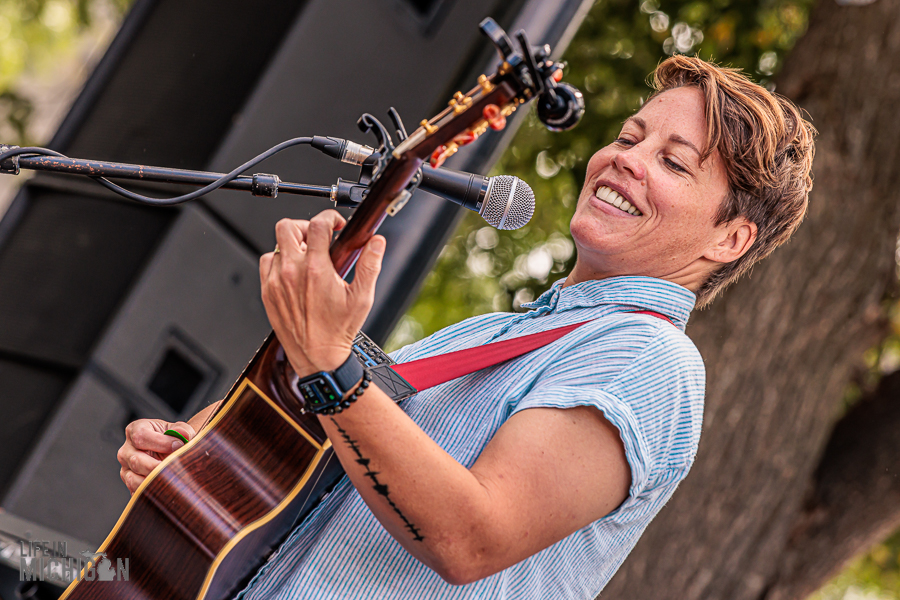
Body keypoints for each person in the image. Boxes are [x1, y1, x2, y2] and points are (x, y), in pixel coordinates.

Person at [116, 55, 815, 599]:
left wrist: (328, 365)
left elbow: (471, 536)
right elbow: (345, 457)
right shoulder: (492, 332)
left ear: (729, 239)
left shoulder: (650, 358)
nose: (625, 158)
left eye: (672, 162)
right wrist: (202, 463)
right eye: (632, 136)